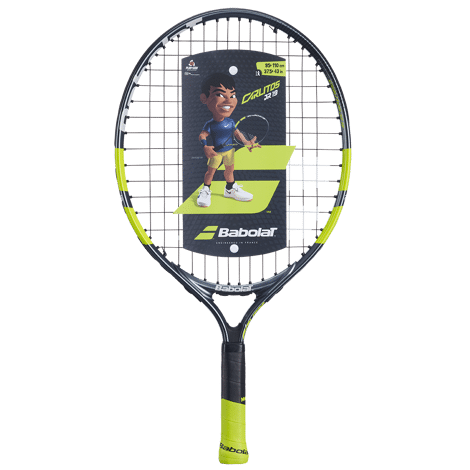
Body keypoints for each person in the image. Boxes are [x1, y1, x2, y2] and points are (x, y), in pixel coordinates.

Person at [197, 73, 259, 207]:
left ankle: (230, 189)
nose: (229, 101)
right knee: (211, 172)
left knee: (230, 171)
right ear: (204, 98)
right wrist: (205, 146)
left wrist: (246, 142)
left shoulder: (230, 122)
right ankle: (205, 190)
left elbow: (237, 134)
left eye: (233, 96)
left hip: (230, 151)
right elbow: (202, 135)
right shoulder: (210, 124)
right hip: (216, 153)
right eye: (220, 94)